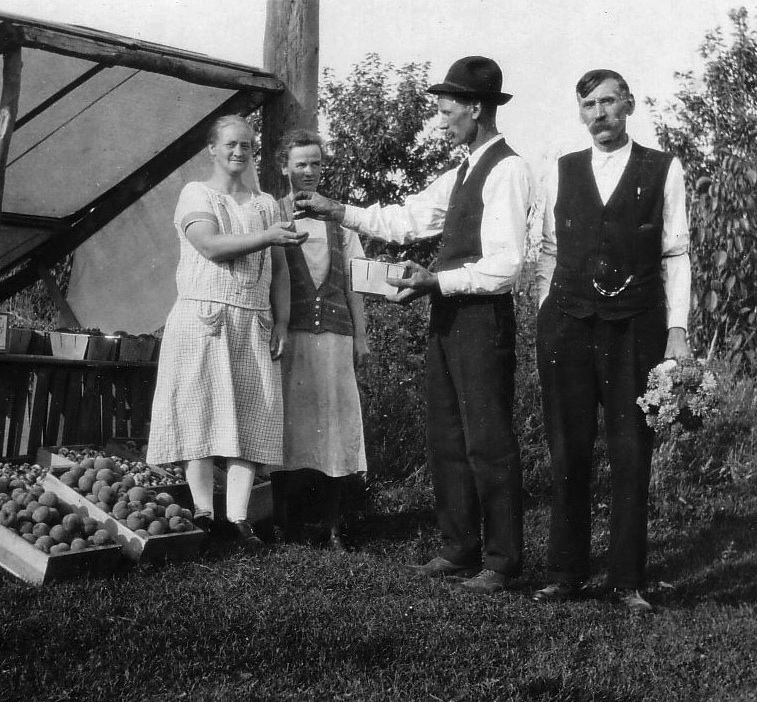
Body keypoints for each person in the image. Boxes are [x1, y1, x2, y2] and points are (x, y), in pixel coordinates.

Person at [294, 57, 533, 593]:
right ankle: (459, 548)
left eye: (447, 111)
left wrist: (435, 280)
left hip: (483, 319)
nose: (441, 121)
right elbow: (405, 221)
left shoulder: (509, 171)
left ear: (477, 108)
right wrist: (336, 209)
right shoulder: (461, 172)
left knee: (488, 440)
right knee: (447, 434)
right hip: (449, 315)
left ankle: (502, 563)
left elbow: (506, 266)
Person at [532, 69, 692, 613]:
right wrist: (546, 314)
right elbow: (548, 250)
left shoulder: (663, 168)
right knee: (567, 447)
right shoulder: (561, 168)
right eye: (588, 105)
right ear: (580, 112)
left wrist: (677, 330)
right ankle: (566, 573)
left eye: (607, 102)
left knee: (631, 450)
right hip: (568, 324)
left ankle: (627, 580)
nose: (598, 114)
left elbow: (676, 253)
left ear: (628, 104)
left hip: (635, 326)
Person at [146, 114, 307, 550]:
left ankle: (238, 519)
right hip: (205, 318)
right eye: (231, 144)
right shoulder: (196, 194)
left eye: (247, 145)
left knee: (252, 415)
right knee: (198, 412)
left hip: (254, 320)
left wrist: (282, 321)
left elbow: (280, 271)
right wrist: (269, 236)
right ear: (212, 149)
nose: (239, 152)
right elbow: (210, 246)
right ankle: (203, 512)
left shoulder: (266, 205)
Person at [270, 129, 370, 552]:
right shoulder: (271, 213)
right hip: (290, 337)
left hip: (333, 338)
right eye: (300, 164)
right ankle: (283, 523)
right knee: (287, 426)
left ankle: (332, 527)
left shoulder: (339, 220)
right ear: (285, 168)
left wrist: (361, 336)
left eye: (315, 163)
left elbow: (355, 283)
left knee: (333, 425)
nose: (308, 171)